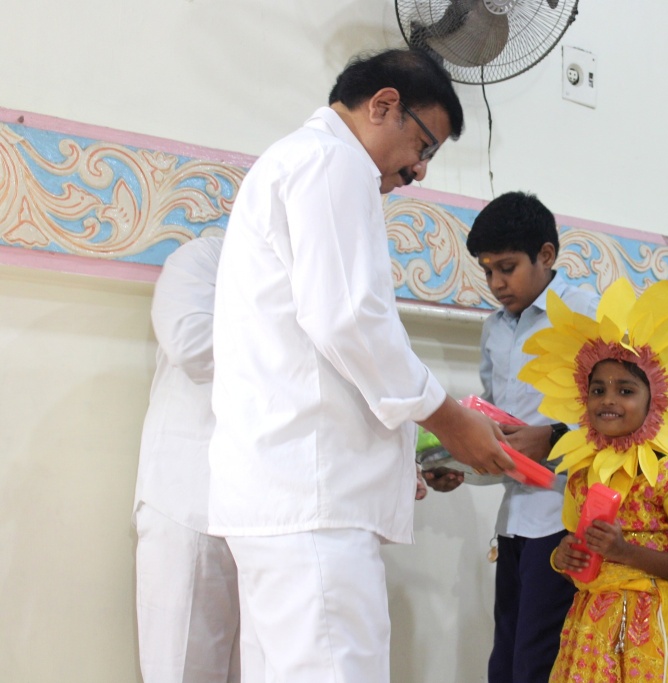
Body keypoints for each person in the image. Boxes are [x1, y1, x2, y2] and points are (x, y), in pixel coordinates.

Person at [207, 48, 513, 683]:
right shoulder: (331, 163)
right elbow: (347, 321)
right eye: (423, 144)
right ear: (383, 106)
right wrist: (450, 422)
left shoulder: (299, 162)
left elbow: (321, 347)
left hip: (288, 494)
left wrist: (404, 451)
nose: (420, 170)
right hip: (311, 504)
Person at [425, 190, 600, 682]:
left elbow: (625, 416)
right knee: (505, 664)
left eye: (507, 267)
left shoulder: (587, 314)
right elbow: (497, 430)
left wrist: (557, 436)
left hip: (567, 519)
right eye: (487, 271)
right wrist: (459, 464)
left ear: (546, 255)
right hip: (515, 521)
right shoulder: (494, 332)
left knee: (538, 666)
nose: (497, 283)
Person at [521, 277, 668, 682]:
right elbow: (578, 557)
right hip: (591, 630)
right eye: (597, 389)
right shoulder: (581, 473)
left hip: (654, 631)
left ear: (656, 400)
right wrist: (562, 558)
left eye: (626, 389)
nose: (608, 399)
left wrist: (625, 551)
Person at [133, 235, 243, 683]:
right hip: (188, 501)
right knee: (182, 669)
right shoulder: (206, 258)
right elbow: (191, 343)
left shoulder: (317, 279)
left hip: (272, 514)